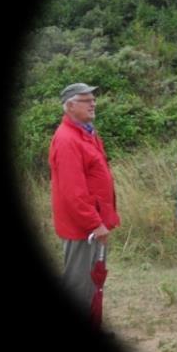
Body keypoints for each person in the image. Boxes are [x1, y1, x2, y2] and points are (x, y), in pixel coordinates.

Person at [49, 83, 120, 319]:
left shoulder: (87, 132)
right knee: (79, 284)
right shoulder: (67, 139)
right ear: (70, 106)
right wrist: (94, 223)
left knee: (92, 281)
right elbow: (73, 192)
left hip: (92, 223)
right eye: (86, 100)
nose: (93, 103)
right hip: (82, 228)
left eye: (93, 99)